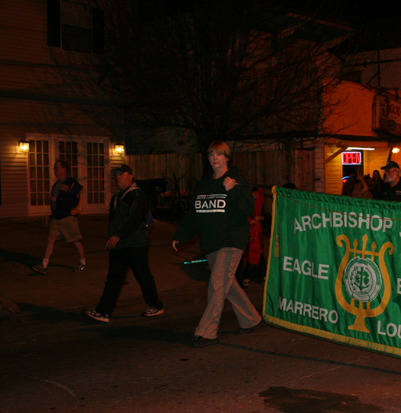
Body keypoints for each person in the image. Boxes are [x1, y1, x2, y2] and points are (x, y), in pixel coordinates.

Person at [172, 141, 262, 347]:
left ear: (226, 158)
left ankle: (207, 331)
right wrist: (180, 235)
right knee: (226, 285)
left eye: (219, 155)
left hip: (232, 241)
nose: (215, 158)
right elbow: (194, 214)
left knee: (217, 284)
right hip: (212, 243)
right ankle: (250, 319)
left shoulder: (236, 180)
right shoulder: (205, 184)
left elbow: (248, 207)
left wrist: (231, 190)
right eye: (212, 154)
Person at [83, 164, 163, 323]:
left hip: (135, 244)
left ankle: (155, 305)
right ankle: (103, 312)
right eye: (116, 175)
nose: (117, 177)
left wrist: (117, 235)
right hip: (120, 245)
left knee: (142, 275)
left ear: (131, 176)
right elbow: (115, 220)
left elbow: (134, 219)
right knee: (114, 278)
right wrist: (112, 236)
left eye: (121, 174)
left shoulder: (137, 195)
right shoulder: (118, 196)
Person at [31, 159, 87, 274]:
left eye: (57, 167)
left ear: (64, 169)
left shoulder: (71, 183)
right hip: (56, 217)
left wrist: (58, 199)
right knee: (50, 240)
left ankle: (83, 263)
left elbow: (73, 201)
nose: (55, 170)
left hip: (67, 217)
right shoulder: (57, 184)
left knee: (76, 241)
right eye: (55, 168)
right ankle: (44, 265)